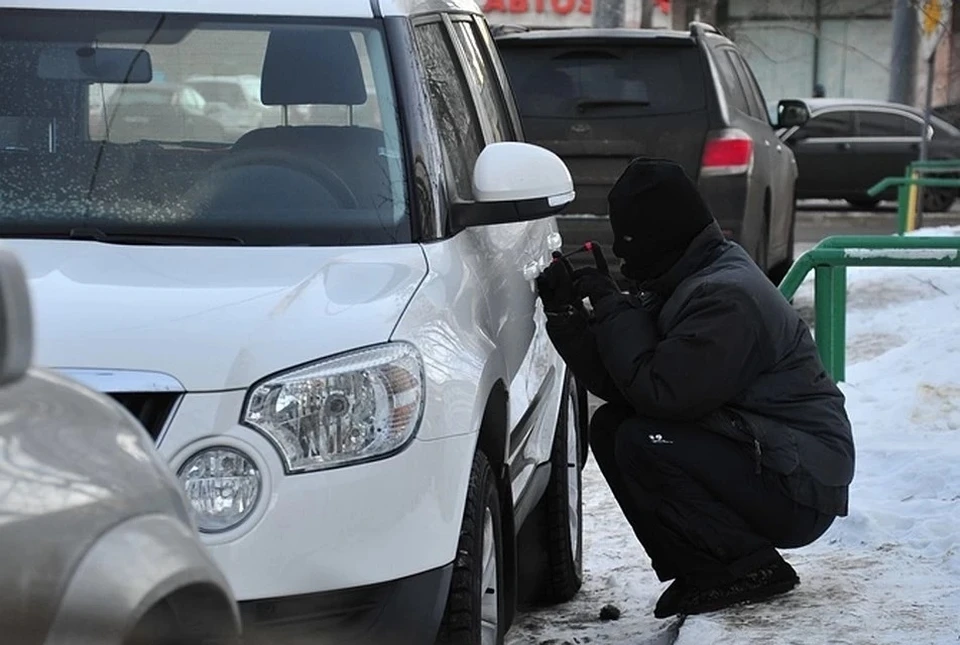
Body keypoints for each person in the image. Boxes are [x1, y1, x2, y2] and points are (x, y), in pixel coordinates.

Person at [535, 158, 855, 618]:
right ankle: (706, 567)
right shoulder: (688, 274)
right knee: (611, 426)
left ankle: (747, 569)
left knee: (645, 439)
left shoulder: (726, 297)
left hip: (802, 484)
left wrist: (611, 306)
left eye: (631, 246)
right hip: (769, 454)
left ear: (659, 237)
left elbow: (661, 393)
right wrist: (569, 318)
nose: (626, 261)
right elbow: (625, 383)